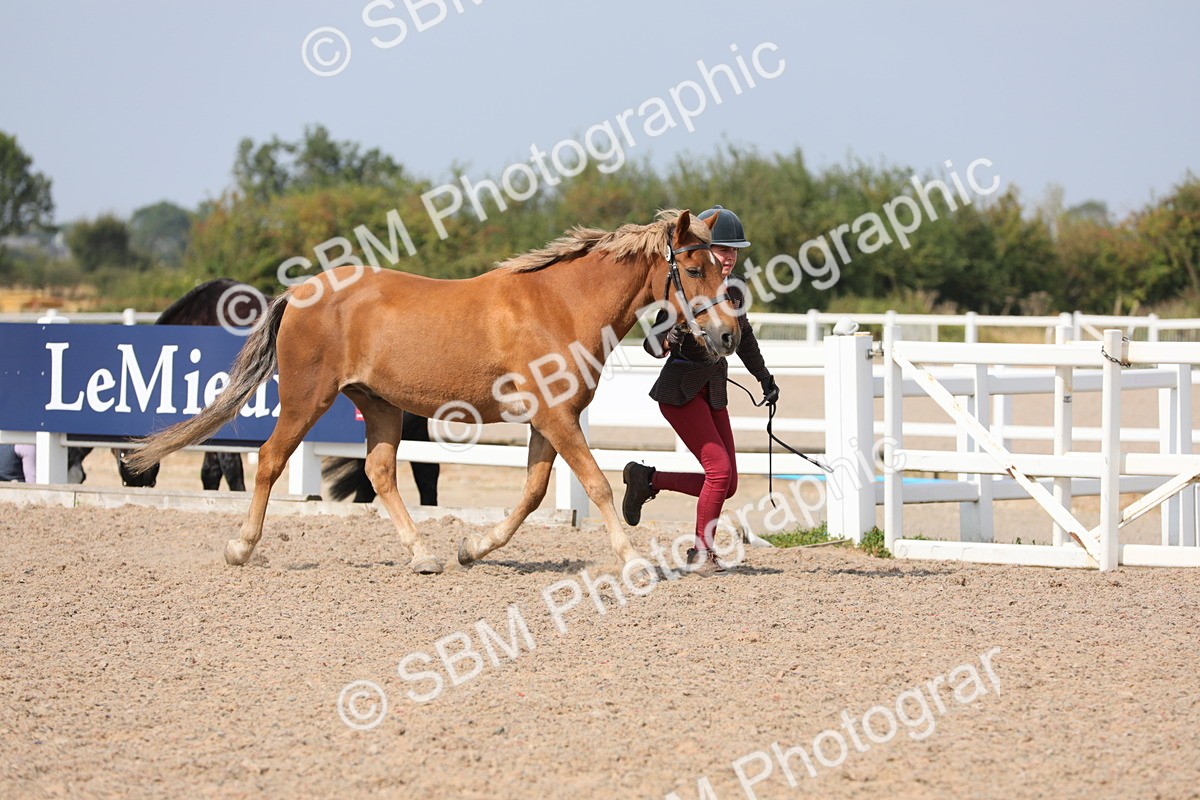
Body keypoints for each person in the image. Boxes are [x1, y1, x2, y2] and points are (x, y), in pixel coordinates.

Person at [622, 205, 779, 576]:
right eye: (724, 250)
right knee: (719, 472)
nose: (729, 257)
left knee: (728, 483)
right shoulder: (688, 286)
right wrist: (671, 334)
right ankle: (700, 554)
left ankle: (647, 480)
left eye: (734, 251)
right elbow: (651, 342)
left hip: (712, 392)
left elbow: (745, 339)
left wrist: (764, 377)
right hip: (680, 392)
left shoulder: (734, 291)